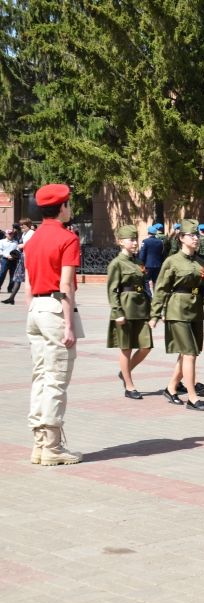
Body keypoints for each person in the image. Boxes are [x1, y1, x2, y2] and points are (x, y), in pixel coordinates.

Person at [24, 184, 84, 465]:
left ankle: (38, 444)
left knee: (40, 376)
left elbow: (27, 282)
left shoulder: (32, 239)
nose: (70, 208)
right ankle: (53, 447)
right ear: (62, 207)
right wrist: (68, 324)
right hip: (55, 308)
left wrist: (34, 308)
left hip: (35, 307)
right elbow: (65, 286)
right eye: (68, 204)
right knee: (57, 379)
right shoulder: (67, 238)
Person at [150, 219, 204, 411]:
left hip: (195, 311)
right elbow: (161, 288)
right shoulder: (172, 261)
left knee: (188, 353)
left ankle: (171, 388)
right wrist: (155, 314)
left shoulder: (202, 262)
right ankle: (192, 397)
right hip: (177, 309)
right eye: (191, 235)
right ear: (181, 238)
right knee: (189, 353)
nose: (196, 239)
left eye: (196, 235)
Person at [107, 225, 153, 399]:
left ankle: (124, 372)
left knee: (146, 346)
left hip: (141, 308)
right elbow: (112, 290)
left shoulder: (138, 262)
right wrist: (117, 311)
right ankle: (129, 385)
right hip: (125, 308)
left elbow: (146, 286)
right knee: (126, 348)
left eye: (136, 239)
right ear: (120, 242)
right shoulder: (116, 263)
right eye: (131, 239)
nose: (135, 243)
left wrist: (152, 309)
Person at [138, 224, 166, 294]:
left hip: (148, 265)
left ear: (148, 233)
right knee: (156, 281)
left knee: (146, 281)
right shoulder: (160, 242)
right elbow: (162, 254)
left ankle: (149, 296)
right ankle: (157, 295)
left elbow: (142, 254)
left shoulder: (145, 241)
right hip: (158, 265)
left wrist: (141, 263)